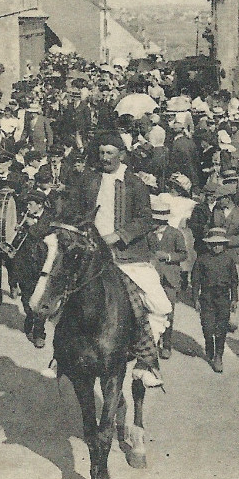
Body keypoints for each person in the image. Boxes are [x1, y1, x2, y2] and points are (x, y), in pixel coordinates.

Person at [70, 131, 170, 388]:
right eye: (101, 153)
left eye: (109, 153)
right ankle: (61, 356)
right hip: (92, 252)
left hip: (127, 256)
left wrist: (117, 236)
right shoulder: (88, 180)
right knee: (66, 293)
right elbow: (76, 211)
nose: (104, 158)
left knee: (160, 306)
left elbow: (145, 219)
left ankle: (145, 362)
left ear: (121, 154)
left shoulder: (134, 183)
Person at [7, 191, 55, 348]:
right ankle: (29, 317)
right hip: (25, 262)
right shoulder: (25, 214)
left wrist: (30, 225)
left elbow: (39, 232)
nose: (27, 206)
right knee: (26, 297)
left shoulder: (49, 217)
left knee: (39, 299)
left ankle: (39, 333)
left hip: (41, 263)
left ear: (39, 205)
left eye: (30, 204)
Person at [191, 227, 239, 373]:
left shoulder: (229, 259)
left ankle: (219, 356)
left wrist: (234, 298)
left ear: (224, 244)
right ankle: (208, 343)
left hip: (223, 298)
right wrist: (196, 299)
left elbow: (234, 281)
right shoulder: (202, 259)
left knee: (221, 329)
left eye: (219, 244)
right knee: (207, 327)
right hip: (207, 297)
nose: (216, 247)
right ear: (208, 244)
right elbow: (195, 281)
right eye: (213, 244)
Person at [147, 197, 187, 360]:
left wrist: (169, 256)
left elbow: (184, 254)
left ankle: (167, 345)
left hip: (170, 279)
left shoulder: (175, 234)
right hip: (152, 278)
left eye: (155, 220)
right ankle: (152, 344)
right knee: (151, 310)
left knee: (168, 312)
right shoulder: (148, 234)